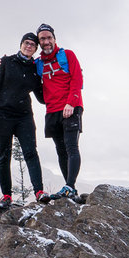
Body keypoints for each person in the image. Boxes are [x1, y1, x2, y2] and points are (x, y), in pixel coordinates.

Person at [0, 32, 50, 208]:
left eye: (32, 44)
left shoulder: (35, 69)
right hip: (2, 116)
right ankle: (6, 195)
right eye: (26, 43)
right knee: (3, 155)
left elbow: (42, 97)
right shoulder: (6, 62)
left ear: (36, 49)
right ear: (21, 44)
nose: (29, 46)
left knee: (31, 153)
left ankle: (39, 192)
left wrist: (61, 85)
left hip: (24, 117)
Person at [35, 23, 84, 199]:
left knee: (71, 147)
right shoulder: (38, 63)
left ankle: (69, 186)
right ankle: (71, 190)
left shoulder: (67, 55)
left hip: (71, 107)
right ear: (39, 42)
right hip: (52, 111)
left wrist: (71, 103)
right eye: (43, 39)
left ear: (55, 39)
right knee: (60, 150)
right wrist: (1, 62)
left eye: (49, 38)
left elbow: (77, 79)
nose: (46, 41)